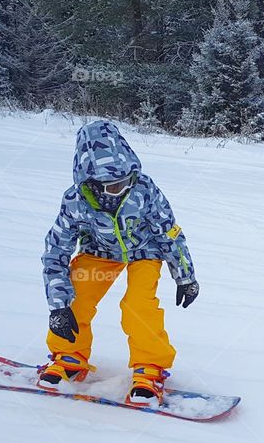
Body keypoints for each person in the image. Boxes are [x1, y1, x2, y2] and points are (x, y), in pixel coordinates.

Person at [39, 120, 199, 406]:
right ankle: (69, 357)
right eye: (113, 186)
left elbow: (169, 231)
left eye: (126, 181)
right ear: (91, 183)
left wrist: (185, 276)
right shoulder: (75, 200)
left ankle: (150, 368)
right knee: (77, 298)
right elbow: (56, 249)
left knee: (138, 306)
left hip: (144, 251)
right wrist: (58, 306)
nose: (122, 189)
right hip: (100, 252)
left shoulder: (144, 189)